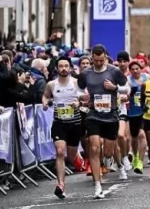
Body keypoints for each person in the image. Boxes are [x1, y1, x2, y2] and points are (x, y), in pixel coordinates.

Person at [77, 45, 128, 199]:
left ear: (105, 57)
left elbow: (126, 88)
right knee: (94, 147)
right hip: (93, 115)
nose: (98, 63)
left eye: (101, 60)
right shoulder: (85, 73)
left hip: (111, 115)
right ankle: (97, 185)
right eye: (96, 60)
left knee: (107, 152)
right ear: (92, 57)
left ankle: (111, 161)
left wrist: (114, 88)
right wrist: (82, 97)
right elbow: (79, 89)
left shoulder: (114, 71)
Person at [43, 57, 83, 199]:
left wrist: (78, 104)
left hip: (75, 123)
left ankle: (77, 158)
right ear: (57, 68)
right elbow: (45, 96)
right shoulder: (51, 84)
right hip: (59, 123)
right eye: (61, 66)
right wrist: (45, 103)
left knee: (71, 157)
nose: (64, 68)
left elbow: (86, 97)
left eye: (66, 66)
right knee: (60, 152)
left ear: (71, 68)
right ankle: (60, 185)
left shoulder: (76, 83)